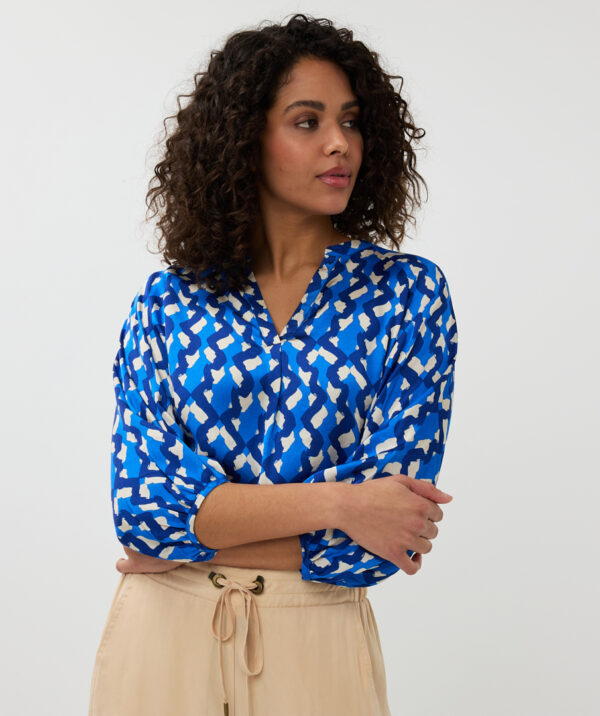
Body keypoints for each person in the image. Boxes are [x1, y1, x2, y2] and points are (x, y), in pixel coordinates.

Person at [88, 13, 458, 716]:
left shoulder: (408, 296)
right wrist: (344, 504)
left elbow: (384, 542)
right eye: (307, 121)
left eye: (350, 121)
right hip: (160, 638)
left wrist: (195, 538)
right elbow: (142, 510)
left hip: (318, 643)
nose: (339, 142)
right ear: (244, 138)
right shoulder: (170, 302)